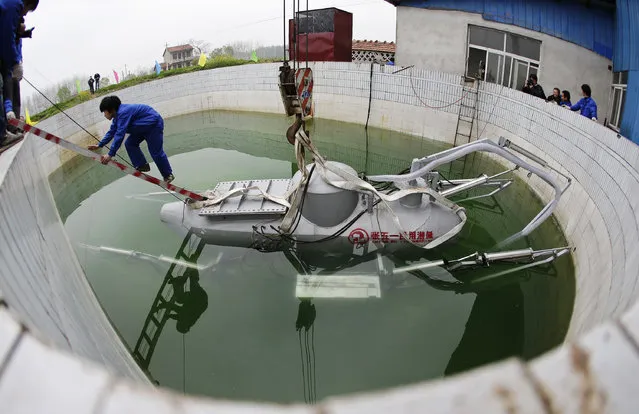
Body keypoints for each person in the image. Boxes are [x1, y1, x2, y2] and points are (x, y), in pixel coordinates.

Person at [88, 96, 175, 182]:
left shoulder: (123, 113)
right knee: (130, 143)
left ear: (111, 109)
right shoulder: (117, 117)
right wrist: (100, 145)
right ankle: (142, 165)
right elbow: (111, 132)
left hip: (153, 126)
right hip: (141, 128)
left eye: (105, 112)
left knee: (155, 152)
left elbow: (119, 135)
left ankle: (168, 175)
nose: (104, 115)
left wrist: (110, 154)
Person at [0, 0, 38, 147]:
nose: (24, 14)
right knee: (5, 88)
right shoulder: (14, 5)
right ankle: (4, 133)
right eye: (27, 10)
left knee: (12, 90)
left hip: (8, 63)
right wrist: (14, 62)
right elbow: (7, 40)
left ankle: (9, 127)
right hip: (8, 63)